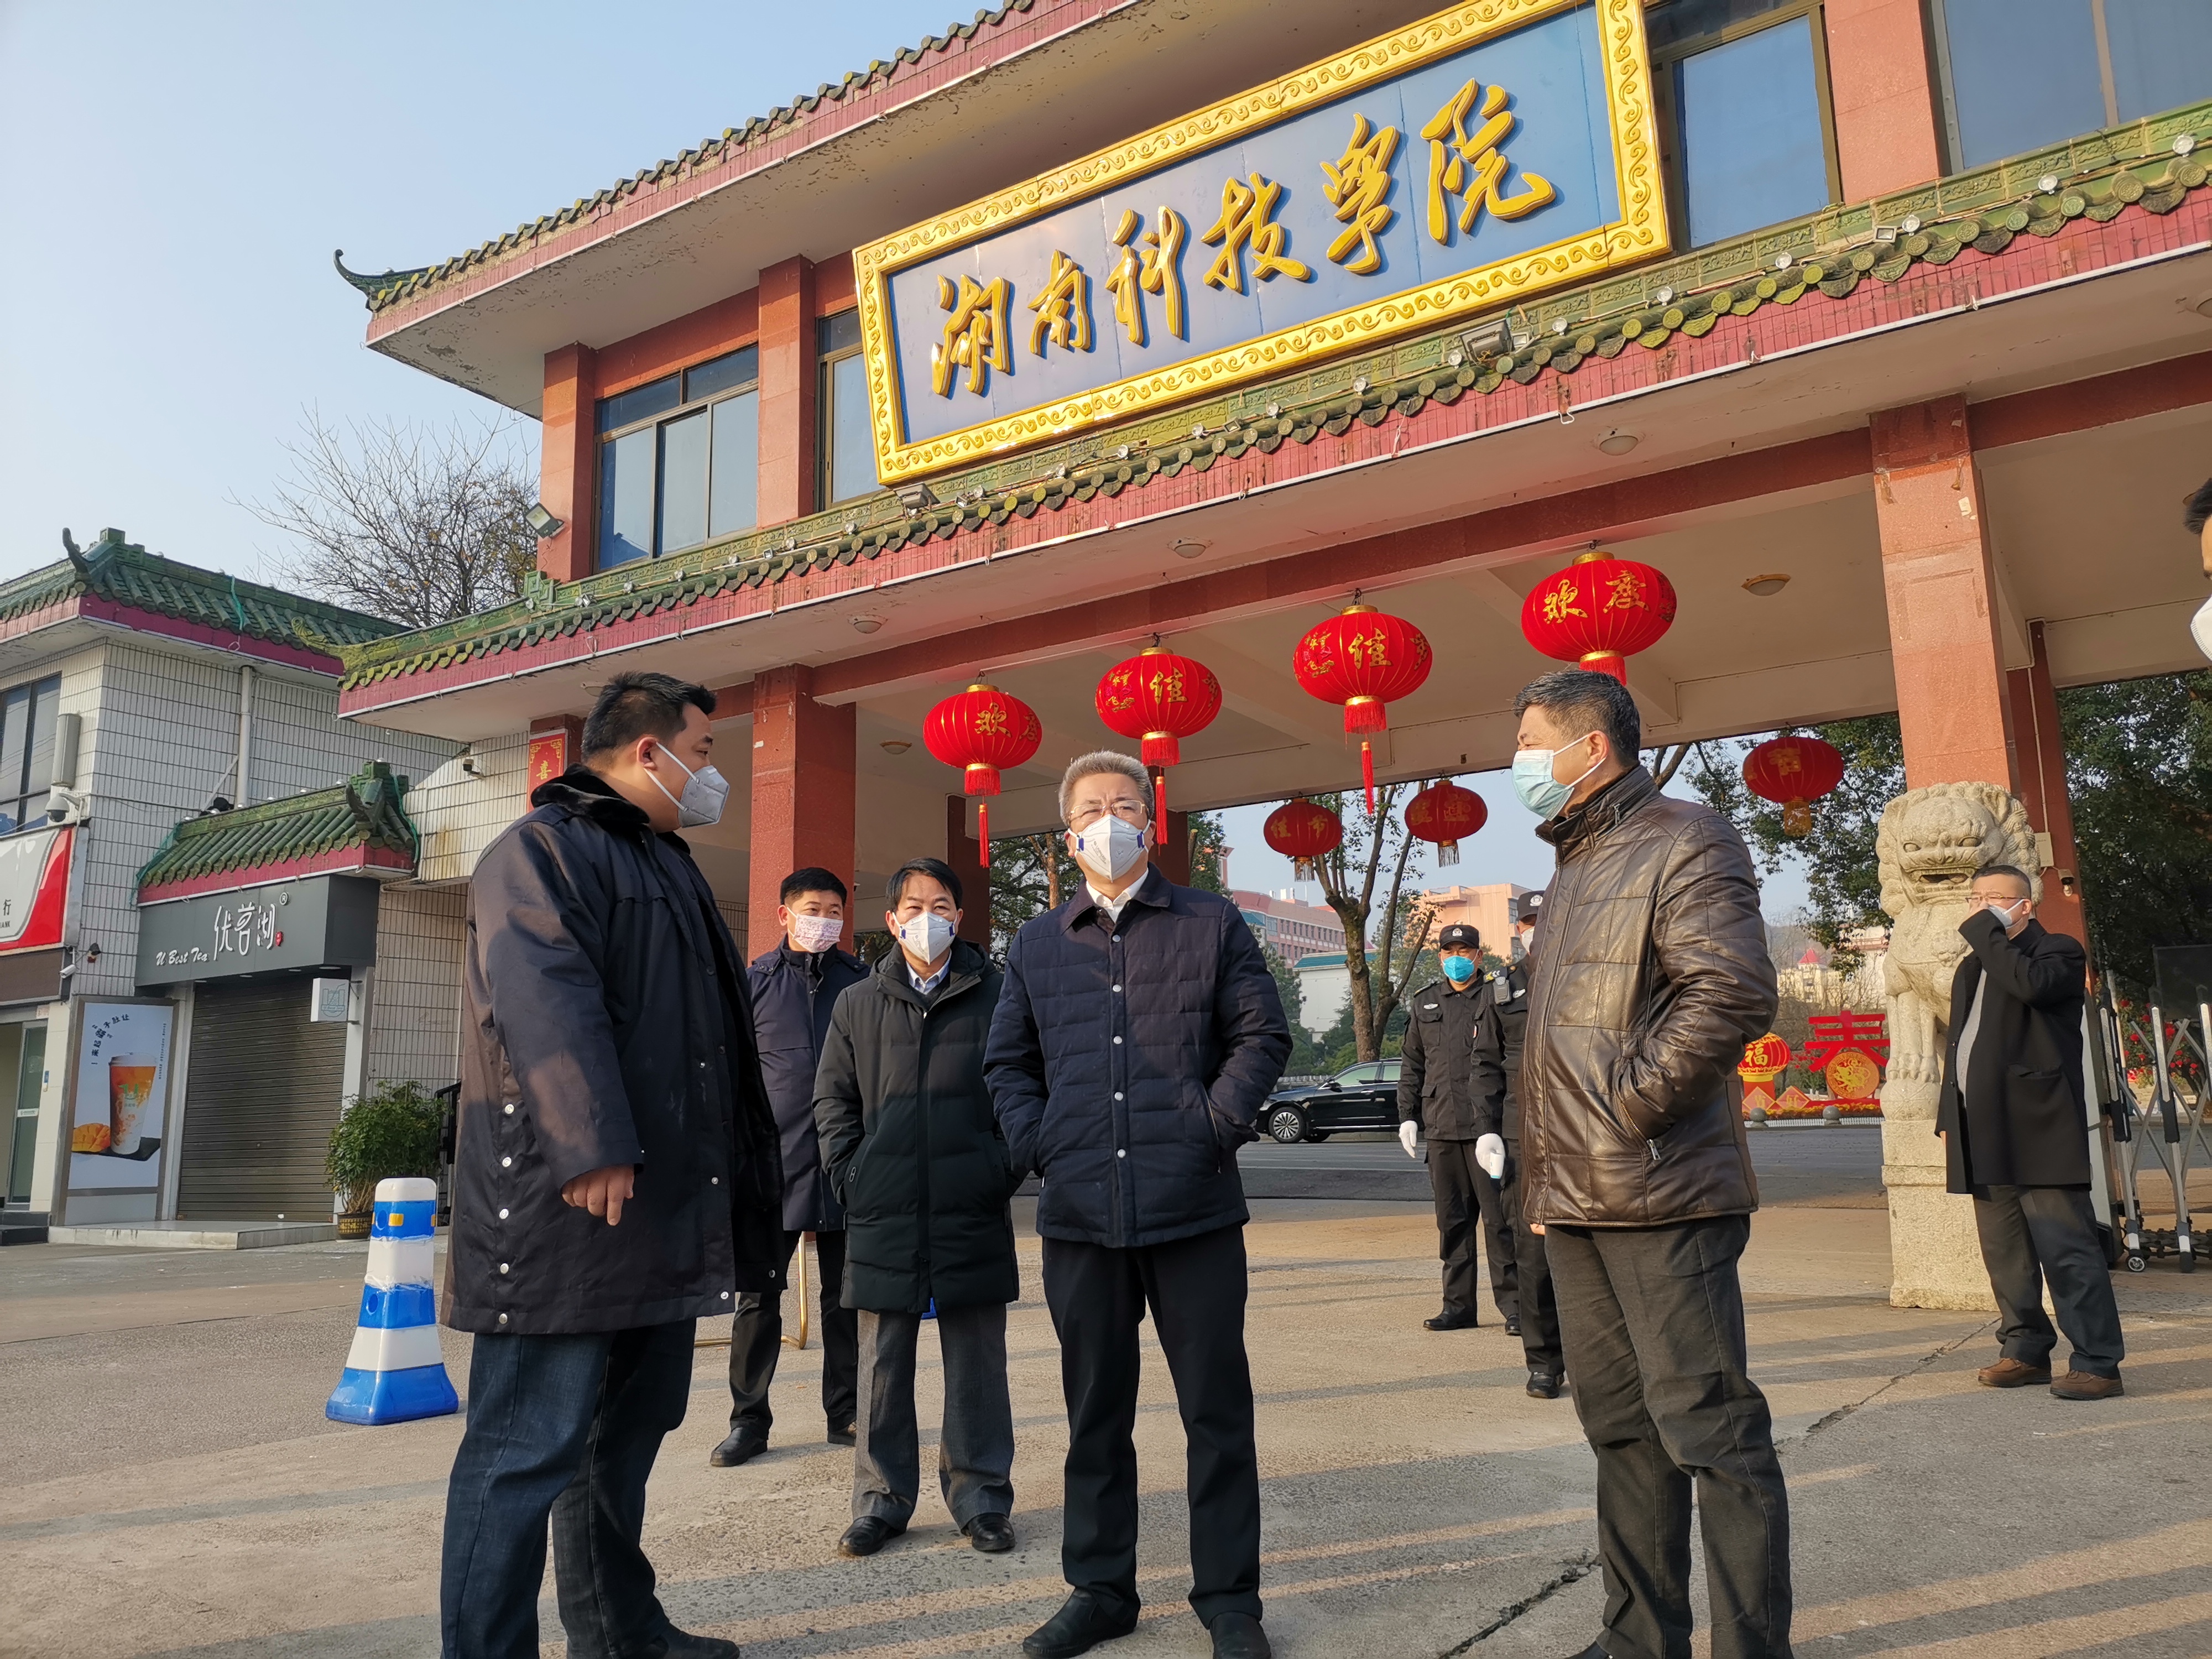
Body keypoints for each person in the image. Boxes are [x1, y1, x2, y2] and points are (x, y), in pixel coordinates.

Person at [440, 671, 783, 1659]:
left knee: (621, 1443)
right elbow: (543, 997)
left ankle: (620, 1632)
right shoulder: (538, 852)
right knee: (523, 1451)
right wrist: (589, 1142)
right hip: (567, 1211)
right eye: (704, 751)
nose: (711, 773)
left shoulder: (668, 864)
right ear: (648, 751)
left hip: (659, 1207)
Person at [1511, 667, 1790, 1659]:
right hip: (1577, 1198)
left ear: (1590, 746)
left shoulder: (1687, 837)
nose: (1518, 762)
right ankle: (1639, 1638)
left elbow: (1731, 992)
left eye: (1530, 742)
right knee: (1621, 1432)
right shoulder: (1574, 862)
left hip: (1660, 1188)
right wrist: (1546, 1179)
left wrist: (1628, 1112)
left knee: (1711, 1432)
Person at [986, 752, 1290, 1659]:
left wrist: (1211, 1126)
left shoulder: (1210, 921)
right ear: (1067, 834)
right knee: (1094, 1415)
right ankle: (1100, 1589)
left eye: (1125, 805)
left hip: (1194, 1207)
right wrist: (1042, 1144)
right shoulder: (1037, 944)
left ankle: (1230, 1600)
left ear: (1150, 824)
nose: (1109, 820)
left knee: (1216, 1414)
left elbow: (1261, 1034)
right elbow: (1008, 1063)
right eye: (1091, 809)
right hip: (1081, 1215)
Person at [813, 857, 1021, 1557]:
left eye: (940, 906)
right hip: (884, 1206)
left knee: (977, 1363)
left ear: (959, 918)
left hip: (971, 1203)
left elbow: (1025, 1088)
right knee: (881, 1363)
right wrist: (852, 1174)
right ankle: (880, 1501)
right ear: (891, 919)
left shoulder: (999, 994)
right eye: (913, 906)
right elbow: (833, 1098)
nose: (926, 918)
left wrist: (1001, 1167)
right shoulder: (857, 1002)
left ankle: (981, 1498)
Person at [1939, 864, 2125, 1400]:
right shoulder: (1973, 967)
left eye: (1994, 899)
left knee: (2066, 1249)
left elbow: (2030, 987)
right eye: (1975, 898)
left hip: (2038, 1125)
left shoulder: (2056, 952)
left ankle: (2097, 1362)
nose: (1981, 908)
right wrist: (1948, 1117)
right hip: (1981, 1126)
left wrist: (1986, 932)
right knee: (2006, 1253)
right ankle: (2024, 1350)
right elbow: (1960, 1045)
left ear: (2025, 906)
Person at [712, 868, 868, 1467]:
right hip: (768, 1169)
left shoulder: (863, 983)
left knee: (846, 1298)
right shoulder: (752, 983)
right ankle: (748, 1421)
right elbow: (729, 1077)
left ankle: (847, 1411)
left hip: (845, 1163)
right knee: (757, 1299)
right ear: (784, 914)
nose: (823, 920)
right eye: (812, 909)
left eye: (834, 911)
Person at [1395, 922, 1515, 1333]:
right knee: (1453, 1224)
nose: (1457, 958)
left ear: (1480, 956)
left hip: (1489, 1129)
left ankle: (1516, 1309)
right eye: (1450, 951)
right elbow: (1412, 1064)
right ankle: (1458, 1307)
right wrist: (1407, 1116)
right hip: (1442, 1127)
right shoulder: (1425, 1002)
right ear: (1441, 956)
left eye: (1465, 951)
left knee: (1501, 1224)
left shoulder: (1497, 996)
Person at [1495, 891, 1565, 1399]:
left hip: (1582, 1126)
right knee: (1532, 1251)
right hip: (1522, 1130)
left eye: (1544, 920)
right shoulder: (1503, 989)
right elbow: (1485, 1063)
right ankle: (1544, 1362)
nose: (1536, 929)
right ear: (1518, 930)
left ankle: (1598, 1358)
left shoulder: (1585, 972)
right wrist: (1487, 1130)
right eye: (1528, 922)